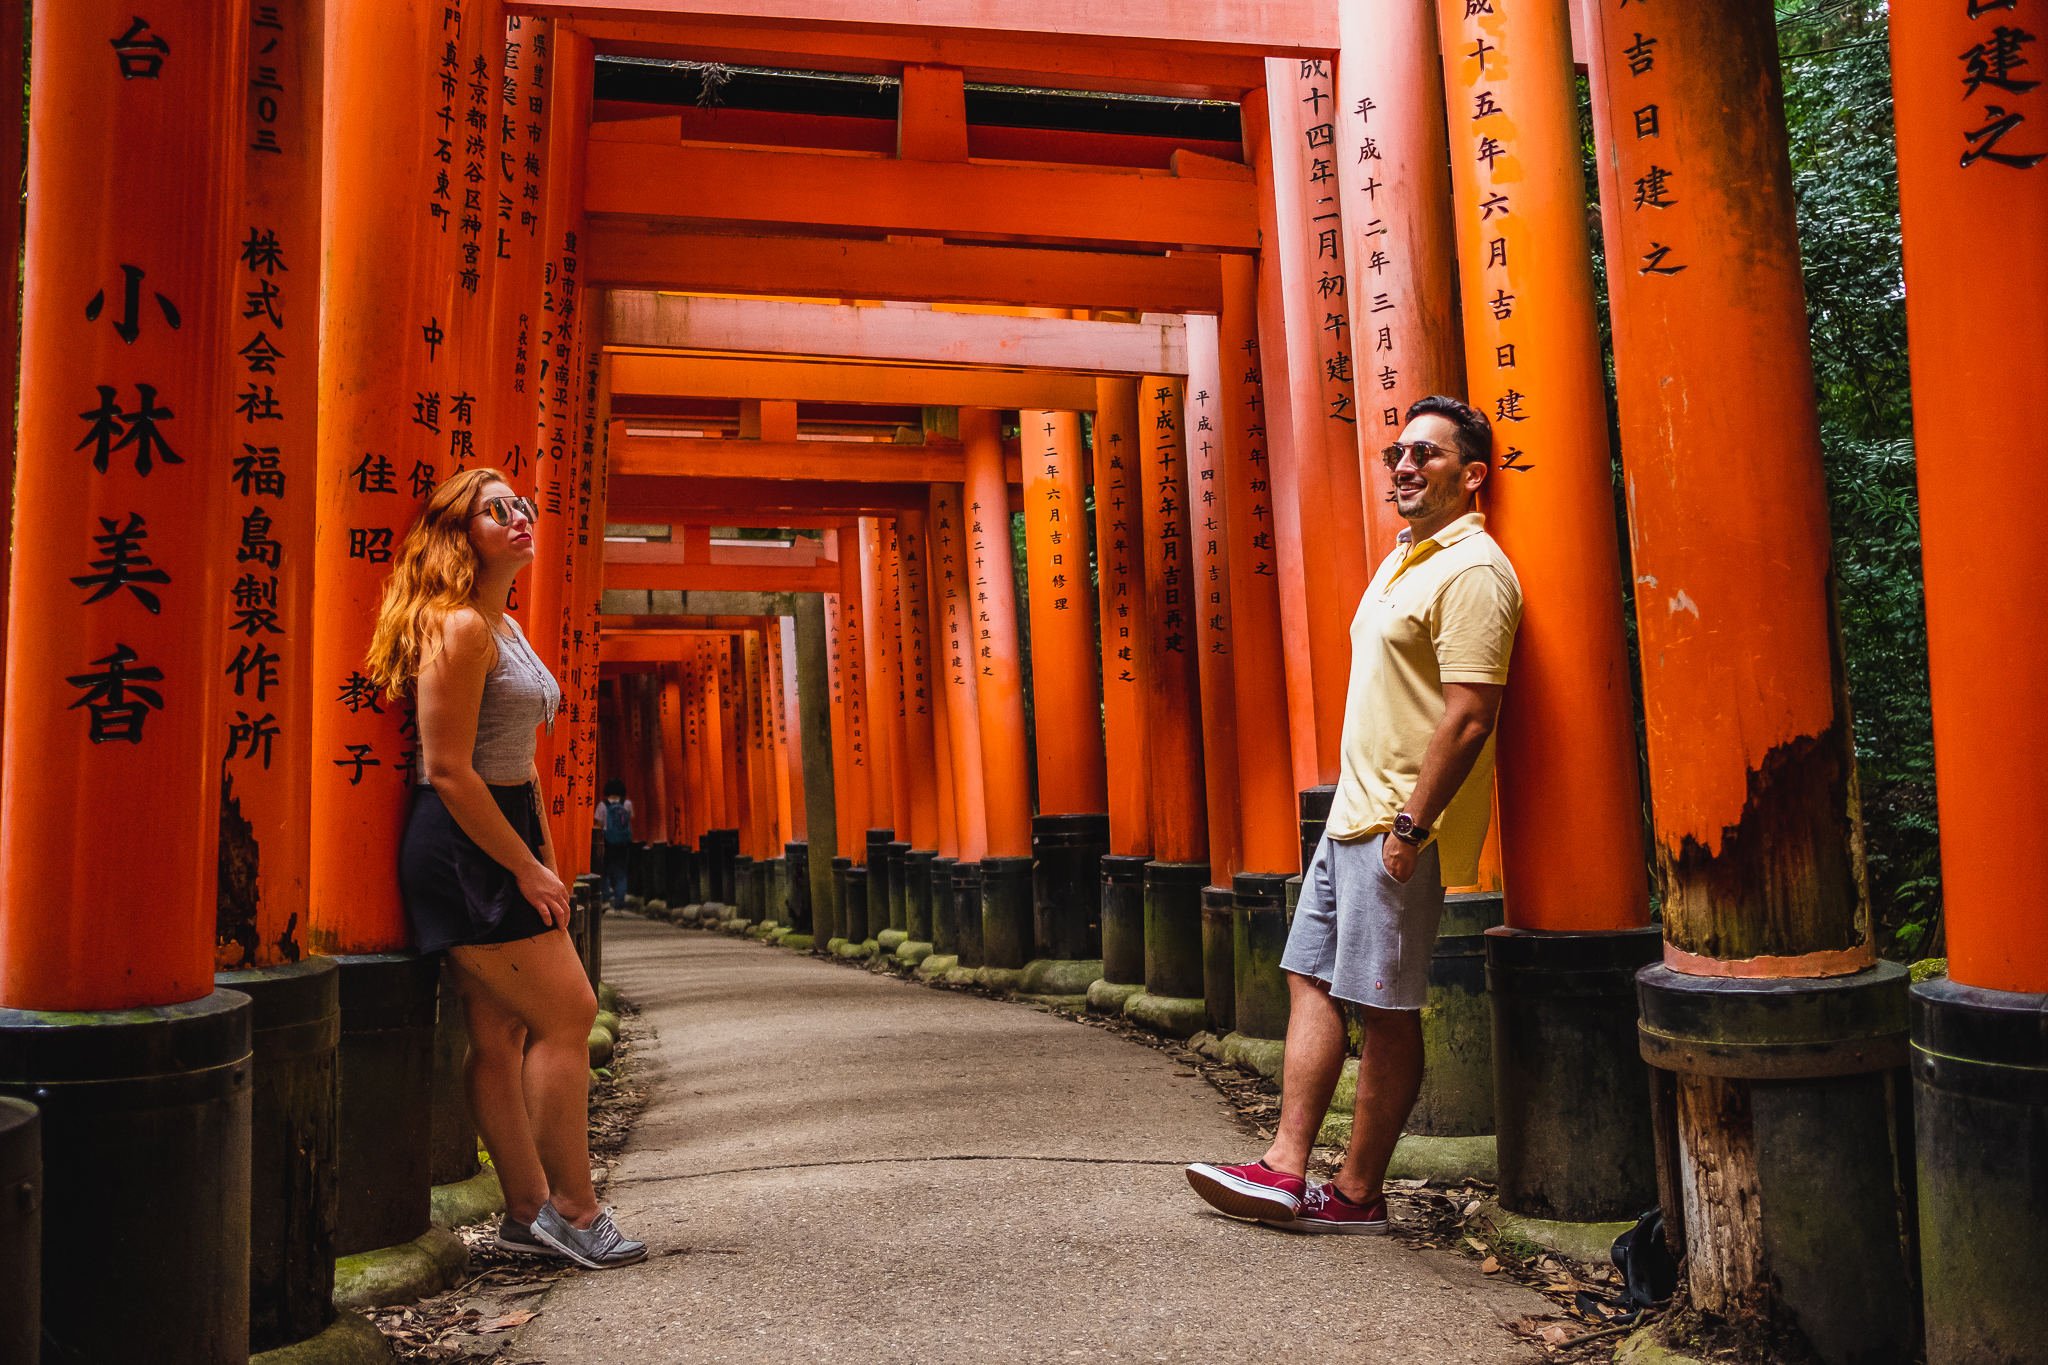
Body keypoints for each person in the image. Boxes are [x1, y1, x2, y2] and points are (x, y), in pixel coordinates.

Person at [1186, 395, 1523, 1234]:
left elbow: (1471, 714)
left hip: (1398, 827)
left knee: (1384, 1004)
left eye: (1427, 454)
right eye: (1397, 453)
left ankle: (1358, 1192)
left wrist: (1413, 825)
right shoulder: (1404, 557)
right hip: (1351, 816)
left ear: (1472, 473)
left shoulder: (1474, 569)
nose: (1404, 467)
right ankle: (1284, 1166)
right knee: (1309, 977)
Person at [370, 469, 646, 1270]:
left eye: (522, 506)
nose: (520, 517)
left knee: (499, 1032)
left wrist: (545, 857)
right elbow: (448, 768)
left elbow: (519, 766)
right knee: (570, 1013)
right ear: (462, 532)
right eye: (498, 510)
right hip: (463, 847)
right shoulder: (458, 628)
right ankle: (577, 1208)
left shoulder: (506, 624)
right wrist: (524, 867)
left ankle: (527, 1213)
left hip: (505, 833)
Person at [596, 779, 634, 907]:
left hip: (607, 842)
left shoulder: (602, 805)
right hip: (623, 843)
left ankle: (605, 901)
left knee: (604, 872)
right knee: (621, 873)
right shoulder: (627, 803)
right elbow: (630, 819)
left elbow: (599, 825)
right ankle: (619, 904)